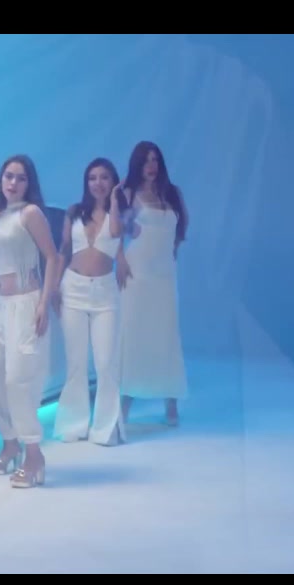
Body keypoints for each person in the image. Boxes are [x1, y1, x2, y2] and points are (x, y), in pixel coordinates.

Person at [0, 155, 61, 487]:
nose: (13, 183)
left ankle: (33, 454)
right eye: (8, 176)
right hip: (1, 307)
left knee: (19, 381)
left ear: (28, 183)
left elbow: (52, 256)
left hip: (25, 304)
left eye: (20, 178)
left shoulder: (30, 213)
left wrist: (44, 302)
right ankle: (9, 445)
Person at [52, 157, 129, 446]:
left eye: (104, 177)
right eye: (93, 178)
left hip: (105, 294)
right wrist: (54, 286)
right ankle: (74, 423)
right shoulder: (74, 212)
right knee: (75, 363)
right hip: (73, 289)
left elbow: (117, 234)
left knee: (106, 363)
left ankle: (106, 428)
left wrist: (115, 201)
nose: (98, 183)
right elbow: (64, 250)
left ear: (113, 182)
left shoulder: (119, 213)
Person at [116, 141, 188, 427]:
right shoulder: (129, 193)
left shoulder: (172, 193)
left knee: (167, 334)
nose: (151, 165)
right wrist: (120, 259)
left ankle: (171, 402)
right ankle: (125, 403)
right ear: (137, 164)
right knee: (134, 333)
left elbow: (179, 229)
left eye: (155, 160)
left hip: (164, 274)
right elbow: (117, 231)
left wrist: (171, 251)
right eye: (145, 160)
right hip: (138, 272)